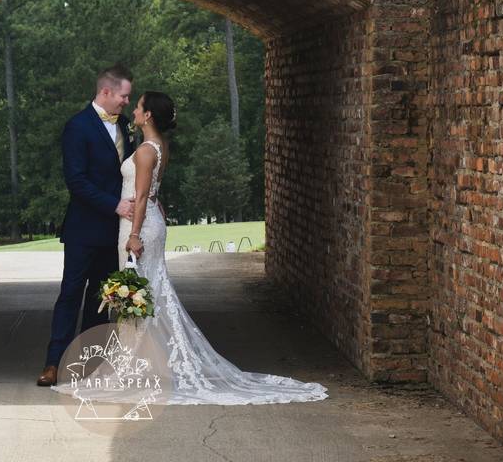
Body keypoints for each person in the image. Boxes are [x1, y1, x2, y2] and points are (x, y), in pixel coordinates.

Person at [52, 91, 328, 405]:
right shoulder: (159, 146)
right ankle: (142, 363)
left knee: (139, 294)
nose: (134, 110)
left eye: (139, 107)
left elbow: (141, 197)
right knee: (148, 291)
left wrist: (135, 235)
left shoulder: (144, 151)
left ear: (149, 116)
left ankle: (139, 367)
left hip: (137, 227)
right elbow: (152, 193)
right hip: (151, 220)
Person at [36, 64, 136, 387]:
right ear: (106, 91)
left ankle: (85, 364)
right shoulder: (77, 127)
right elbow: (76, 181)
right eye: (123, 96)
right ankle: (53, 363)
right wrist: (115, 204)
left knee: (102, 298)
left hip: (114, 232)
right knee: (70, 294)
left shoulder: (125, 126)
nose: (126, 103)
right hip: (84, 229)